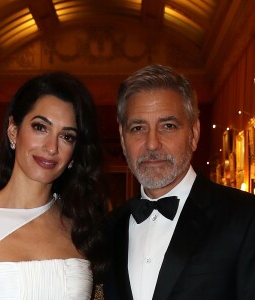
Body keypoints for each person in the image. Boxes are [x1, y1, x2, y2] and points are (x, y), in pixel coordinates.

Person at [103, 64, 255, 300]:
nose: (152, 144)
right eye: (138, 128)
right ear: (123, 139)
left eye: (168, 126)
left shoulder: (245, 217)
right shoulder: (107, 229)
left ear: (194, 134)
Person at [0, 72, 108, 300]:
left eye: (66, 136)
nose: (51, 147)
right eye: (40, 127)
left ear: (75, 152)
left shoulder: (81, 227)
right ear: (13, 131)